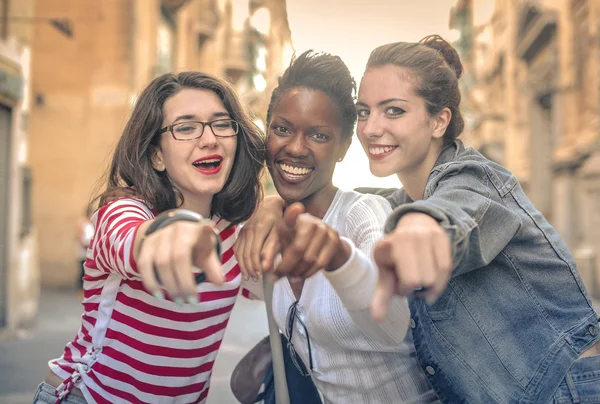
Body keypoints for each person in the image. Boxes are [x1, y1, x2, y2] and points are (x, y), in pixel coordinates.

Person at [355, 35, 600, 403]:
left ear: (439, 121)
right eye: (363, 111)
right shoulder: (407, 198)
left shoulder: (475, 178)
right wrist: (278, 206)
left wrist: (422, 227)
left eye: (393, 110)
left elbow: (453, 213)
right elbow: (353, 204)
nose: (371, 128)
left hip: (565, 391)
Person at [34, 71, 265, 404]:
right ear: (157, 154)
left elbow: (283, 287)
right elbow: (131, 239)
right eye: (185, 127)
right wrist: (164, 238)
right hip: (86, 396)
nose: (209, 139)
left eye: (221, 123)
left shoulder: (233, 236)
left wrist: (273, 211)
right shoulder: (123, 210)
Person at [235, 50, 438, 404]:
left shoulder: (365, 212)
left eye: (318, 135)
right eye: (282, 129)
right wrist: (269, 207)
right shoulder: (268, 230)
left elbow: (390, 324)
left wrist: (339, 257)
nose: (295, 148)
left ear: (343, 147)